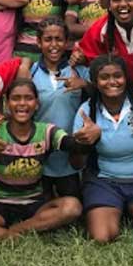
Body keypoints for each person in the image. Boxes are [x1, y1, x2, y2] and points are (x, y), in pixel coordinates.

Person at [0, 79, 96, 241]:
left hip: (35, 203)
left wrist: (88, 138)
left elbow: (73, 146)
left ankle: (16, 231)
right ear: (7, 103)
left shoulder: (47, 131)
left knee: (72, 207)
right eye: (16, 98)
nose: (22, 103)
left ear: (37, 104)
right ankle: (21, 233)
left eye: (28, 98)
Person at [73, 55, 133, 243]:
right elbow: (76, 164)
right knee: (101, 238)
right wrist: (84, 143)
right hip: (104, 181)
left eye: (118, 75)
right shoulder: (86, 111)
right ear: (95, 82)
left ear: (126, 78)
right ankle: (113, 208)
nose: (112, 82)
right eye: (104, 77)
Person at [30, 18, 89, 199]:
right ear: (39, 42)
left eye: (59, 39)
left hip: (72, 155)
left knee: (74, 205)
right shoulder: (31, 72)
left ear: (66, 42)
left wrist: (84, 85)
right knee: (42, 206)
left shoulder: (79, 71)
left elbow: (99, 95)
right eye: (48, 39)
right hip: (41, 154)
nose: (54, 45)